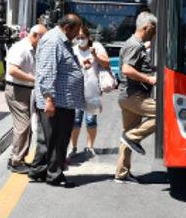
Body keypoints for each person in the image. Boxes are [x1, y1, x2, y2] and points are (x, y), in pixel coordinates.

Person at [27, 14, 84, 187]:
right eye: (76, 29)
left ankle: (39, 170)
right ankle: (55, 175)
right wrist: (49, 99)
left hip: (61, 101)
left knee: (48, 139)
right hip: (57, 101)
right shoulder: (53, 41)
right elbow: (46, 72)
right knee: (58, 139)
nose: (78, 33)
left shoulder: (61, 41)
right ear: (68, 28)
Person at [115, 12, 158, 184]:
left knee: (127, 134)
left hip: (127, 96)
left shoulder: (133, 44)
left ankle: (121, 173)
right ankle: (132, 138)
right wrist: (149, 79)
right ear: (147, 27)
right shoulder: (135, 45)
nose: (154, 35)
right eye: (153, 31)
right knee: (164, 113)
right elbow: (126, 69)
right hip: (134, 96)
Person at [5, 24, 47, 174]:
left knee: (27, 125)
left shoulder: (35, 49)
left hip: (27, 90)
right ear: (35, 35)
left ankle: (18, 158)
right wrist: (32, 79)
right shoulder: (20, 48)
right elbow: (12, 70)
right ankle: (16, 161)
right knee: (23, 126)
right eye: (43, 38)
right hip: (16, 90)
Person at [68, 25, 110, 159]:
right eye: (78, 38)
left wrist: (94, 56)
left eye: (83, 37)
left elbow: (107, 63)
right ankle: (73, 147)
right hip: (75, 91)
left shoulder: (96, 48)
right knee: (75, 120)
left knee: (91, 120)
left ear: (89, 38)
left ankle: (90, 146)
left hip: (93, 91)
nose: (81, 40)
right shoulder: (72, 50)